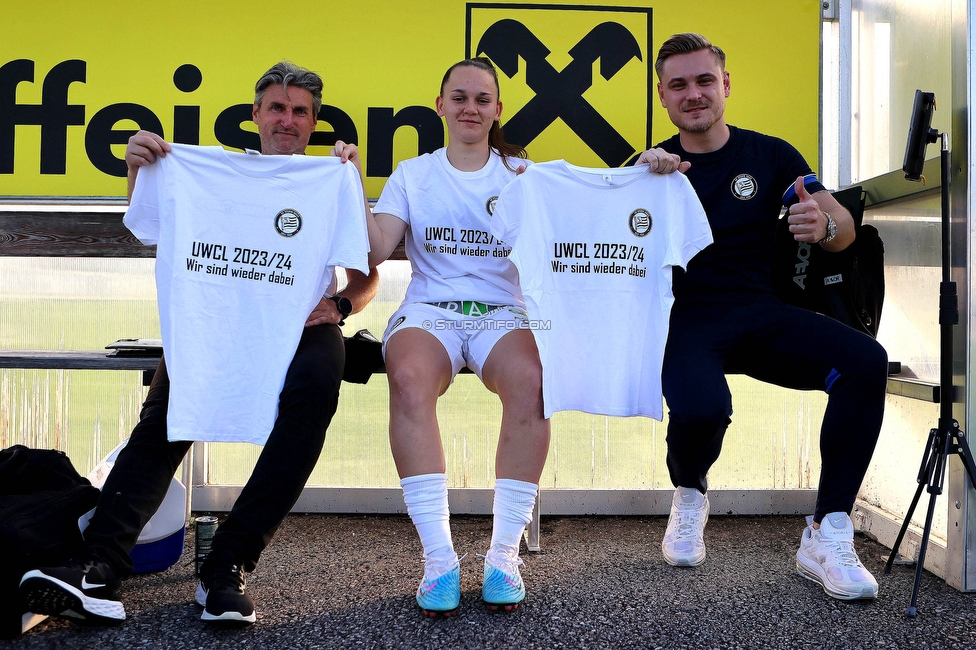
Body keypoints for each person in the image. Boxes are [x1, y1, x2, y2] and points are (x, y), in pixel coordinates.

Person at [19, 61, 378, 625]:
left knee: (317, 381)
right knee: (169, 410)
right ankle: (99, 568)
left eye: (300, 111)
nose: (288, 120)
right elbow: (149, 222)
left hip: (299, 330)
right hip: (214, 324)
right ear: (255, 114)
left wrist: (338, 307)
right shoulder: (204, 171)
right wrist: (139, 168)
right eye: (277, 108)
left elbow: (368, 272)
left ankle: (226, 566)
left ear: (313, 122)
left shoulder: (329, 177)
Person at [646, 33, 888, 601]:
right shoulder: (655, 166)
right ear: (663, 97)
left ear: (725, 85)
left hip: (761, 314)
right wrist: (641, 173)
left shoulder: (772, 155)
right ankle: (689, 493)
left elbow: (840, 228)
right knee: (703, 410)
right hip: (689, 322)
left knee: (864, 362)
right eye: (678, 85)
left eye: (705, 81)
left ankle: (827, 532)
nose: (694, 94)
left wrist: (823, 227)